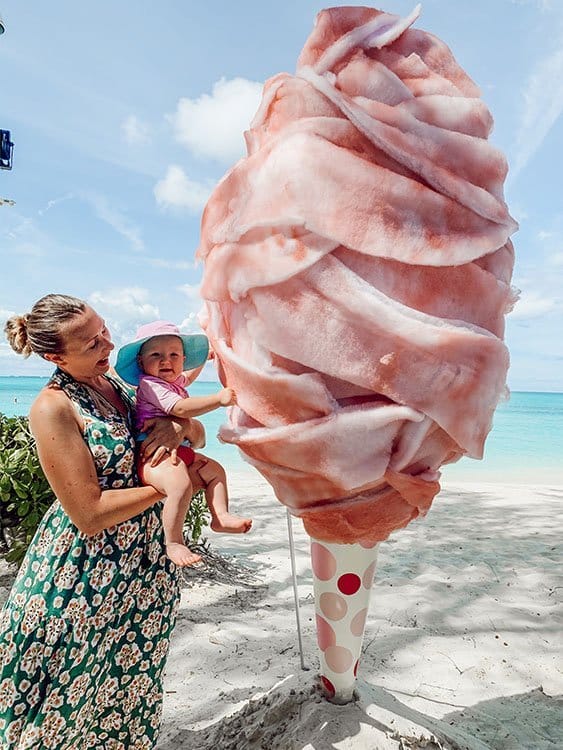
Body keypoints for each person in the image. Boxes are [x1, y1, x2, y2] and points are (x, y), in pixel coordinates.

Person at [0, 294, 206, 749]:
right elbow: (88, 514)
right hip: (83, 578)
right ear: (55, 356)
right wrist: (169, 486)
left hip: (144, 569)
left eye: (104, 331)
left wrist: (180, 430)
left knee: (129, 686)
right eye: (91, 342)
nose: (106, 345)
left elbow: (195, 430)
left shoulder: (123, 385)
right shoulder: (53, 408)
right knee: (65, 700)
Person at [115, 321, 252, 567]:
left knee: (215, 471)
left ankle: (220, 516)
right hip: (154, 456)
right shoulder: (150, 385)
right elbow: (179, 408)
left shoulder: (173, 382)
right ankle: (174, 541)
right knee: (180, 486)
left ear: (182, 359)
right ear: (141, 363)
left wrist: (204, 359)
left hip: (179, 451)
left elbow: (187, 377)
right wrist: (218, 400)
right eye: (156, 355)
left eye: (173, 355)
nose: (165, 361)